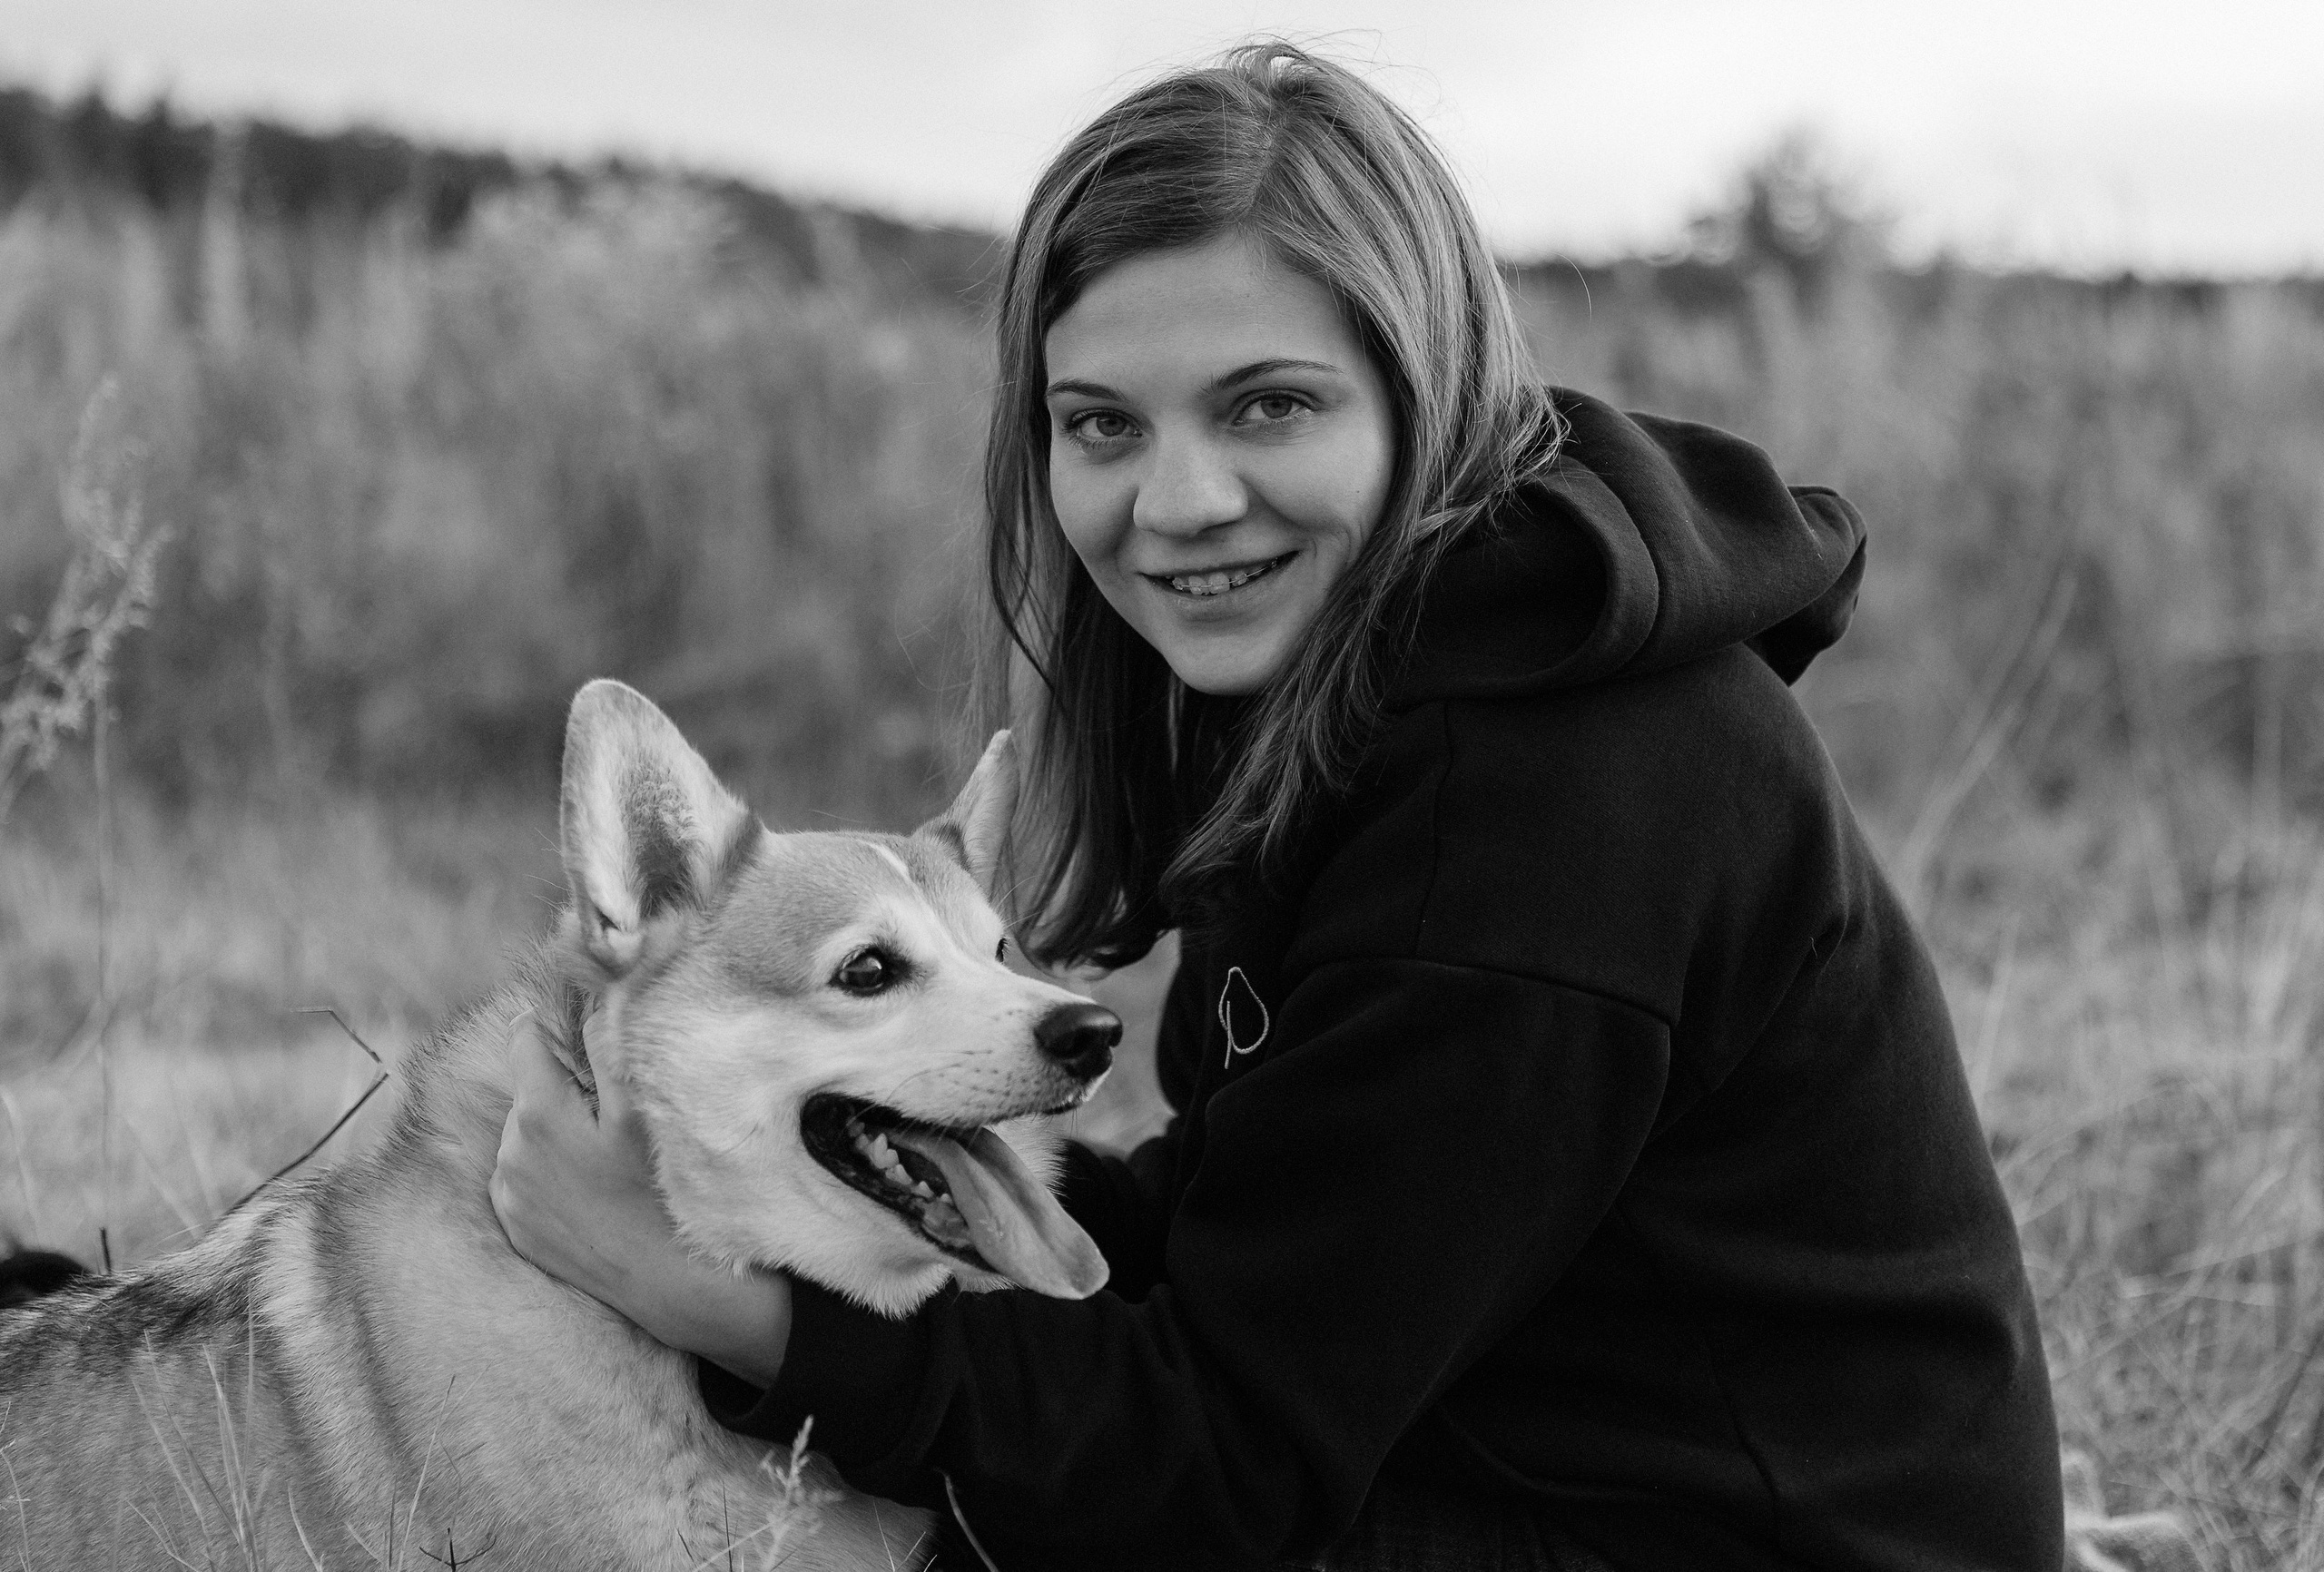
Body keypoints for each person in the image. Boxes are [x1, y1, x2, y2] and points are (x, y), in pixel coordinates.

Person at [489, 42, 2065, 1572]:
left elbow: (1216, 1475)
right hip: (1520, 1451)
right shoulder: (1362, 680)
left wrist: (733, 1317)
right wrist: (825, 1208)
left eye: (1268, 406)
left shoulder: (1548, 800)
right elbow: (1277, 1211)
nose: (1176, 503)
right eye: (1104, 422)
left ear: (1419, 390)